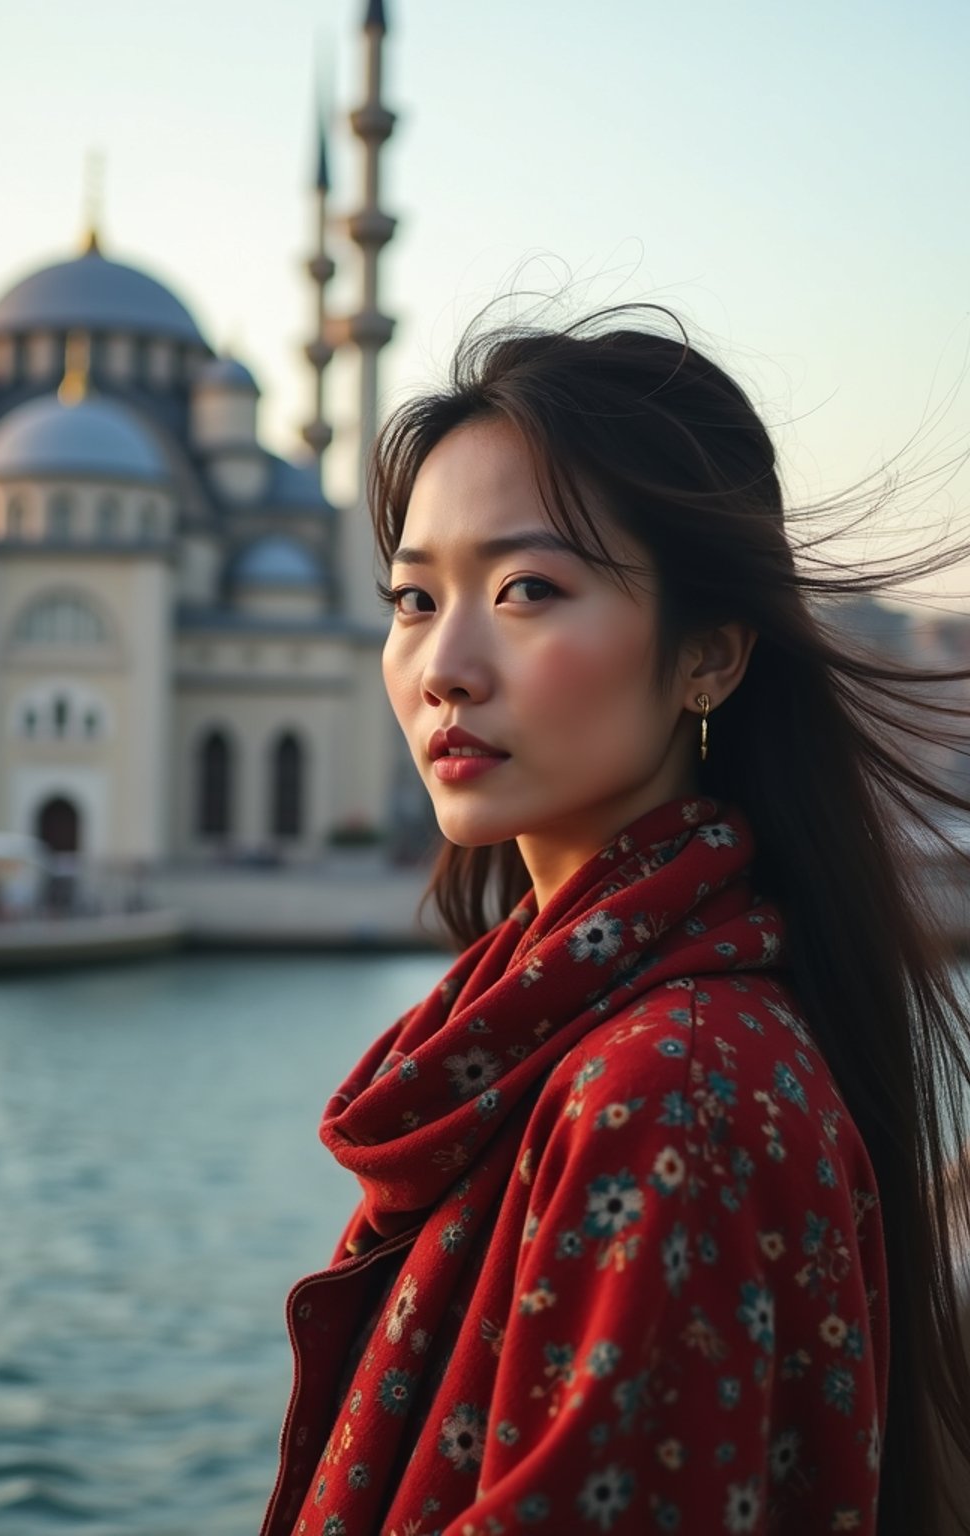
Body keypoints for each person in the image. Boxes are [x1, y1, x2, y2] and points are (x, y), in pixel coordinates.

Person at [260, 308, 970, 1536]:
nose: (444, 666)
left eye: (528, 588)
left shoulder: (668, 1089)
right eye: (414, 597)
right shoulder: (593, 1041)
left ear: (707, 657)